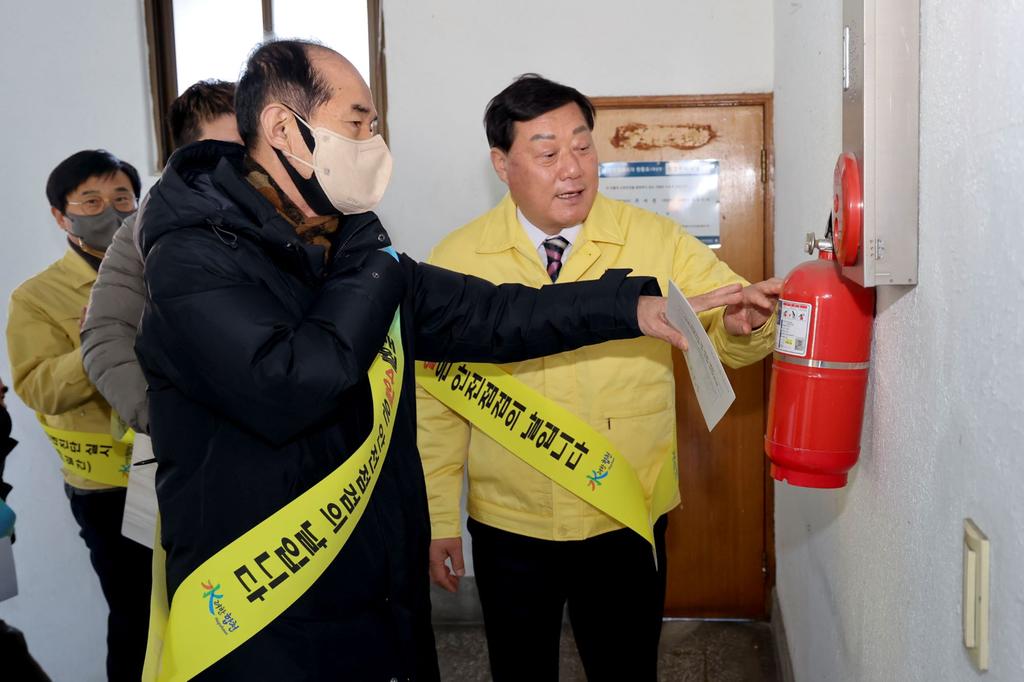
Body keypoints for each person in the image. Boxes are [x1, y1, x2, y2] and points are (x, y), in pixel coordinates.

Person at [132, 40, 731, 680]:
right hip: (267, 601)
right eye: (357, 123)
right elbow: (297, 384)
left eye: (374, 125)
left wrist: (633, 307)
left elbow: (498, 316)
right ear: (286, 130)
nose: (373, 141)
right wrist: (370, 248)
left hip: (369, 581)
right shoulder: (196, 259)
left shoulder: (338, 244)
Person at [416, 74, 781, 681]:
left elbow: (725, 329)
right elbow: (439, 405)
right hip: (511, 523)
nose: (573, 168)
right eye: (548, 151)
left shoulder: (655, 239)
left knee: (626, 669)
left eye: (583, 147)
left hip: (624, 510)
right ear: (502, 164)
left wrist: (746, 329)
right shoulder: (456, 261)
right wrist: (439, 521)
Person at [5, 151, 151, 681]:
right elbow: (37, 386)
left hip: (177, 467)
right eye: (90, 200)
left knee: (198, 605)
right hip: (108, 487)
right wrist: (102, 338)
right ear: (60, 215)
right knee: (136, 617)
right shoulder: (38, 297)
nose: (109, 211)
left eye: (122, 199)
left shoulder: (161, 267)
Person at [82, 79, 241, 435]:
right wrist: (169, 422)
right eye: (226, 149)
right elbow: (107, 334)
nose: (241, 162)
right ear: (190, 152)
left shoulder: (295, 214)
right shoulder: (144, 229)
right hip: (201, 446)